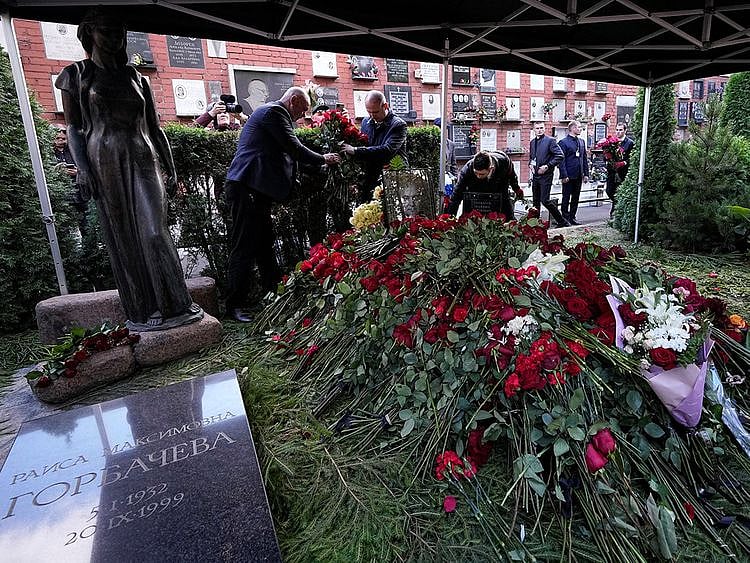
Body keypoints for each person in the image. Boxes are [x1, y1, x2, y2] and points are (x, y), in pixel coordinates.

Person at [56, 9, 203, 331]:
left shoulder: (137, 78)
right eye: (107, 31)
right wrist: (81, 168)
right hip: (103, 158)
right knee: (124, 237)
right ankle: (143, 307)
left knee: (153, 232)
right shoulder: (76, 75)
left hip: (143, 155)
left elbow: (155, 126)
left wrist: (171, 166)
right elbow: (73, 128)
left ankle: (176, 303)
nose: (114, 39)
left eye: (120, 32)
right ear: (90, 33)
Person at [223, 86, 341, 322]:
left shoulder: (276, 115)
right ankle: (233, 306)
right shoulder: (274, 113)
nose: (304, 115)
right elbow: (294, 149)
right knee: (244, 247)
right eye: (303, 109)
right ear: (294, 100)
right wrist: (323, 158)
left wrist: (320, 167)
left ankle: (274, 294)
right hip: (247, 188)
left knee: (265, 245)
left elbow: (287, 157)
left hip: (256, 191)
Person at [341, 90, 408, 203]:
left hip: (391, 177)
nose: (372, 116)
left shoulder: (398, 125)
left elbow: (387, 150)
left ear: (385, 106)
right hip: (369, 178)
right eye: (369, 112)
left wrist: (356, 151)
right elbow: (363, 143)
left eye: (375, 112)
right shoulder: (366, 121)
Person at [444, 150, 523, 219]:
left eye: (481, 174)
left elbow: (512, 176)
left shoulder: (504, 163)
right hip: (475, 195)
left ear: (491, 168)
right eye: (476, 173)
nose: (478, 176)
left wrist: (516, 189)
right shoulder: (467, 169)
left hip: (499, 190)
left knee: (508, 217)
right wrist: (450, 219)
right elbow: (456, 196)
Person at [529, 122, 567, 228]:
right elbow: (532, 157)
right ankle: (534, 224)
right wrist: (530, 165)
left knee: (545, 200)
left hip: (546, 175)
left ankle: (562, 221)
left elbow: (560, 155)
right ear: (534, 130)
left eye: (541, 128)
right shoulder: (532, 142)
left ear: (544, 129)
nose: (539, 130)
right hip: (535, 175)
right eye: (537, 128)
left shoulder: (550, 141)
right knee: (535, 201)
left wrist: (547, 166)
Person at [52, 128, 88, 228]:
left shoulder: (74, 151)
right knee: (64, 224)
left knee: (84, 223)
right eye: (57, 138)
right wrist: (59, 172)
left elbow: (85, 167)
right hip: (62, 194)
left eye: (63, 138)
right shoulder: (49, 153)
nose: (60, 141)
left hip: (79, 192)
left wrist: (78, 172)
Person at [557, 120, 589, 225]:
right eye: (579, 127)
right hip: (568, 175)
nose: (580, 129)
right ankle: (565, 218)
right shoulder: (563, 142)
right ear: (573, 128)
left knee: (576, 197)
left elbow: (584, 158)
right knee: (566, 197)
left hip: (578, 174)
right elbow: (561, 160)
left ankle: (572, 217)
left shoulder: (581, 142)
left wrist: (586, 174)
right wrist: (564, 175)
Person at [606, 122, 635, 216]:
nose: (618, 132)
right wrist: (607, 159)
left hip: (623, 172)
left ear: (625, 130)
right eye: (617, 130)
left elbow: (632, 157)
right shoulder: (612, 142)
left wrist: (624, 163)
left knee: (619, 191)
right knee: (609, 191)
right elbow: (606, 155)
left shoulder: (629, 143)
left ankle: (614, 213)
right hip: (612, 171)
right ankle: (617, 208)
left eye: (620, 130)